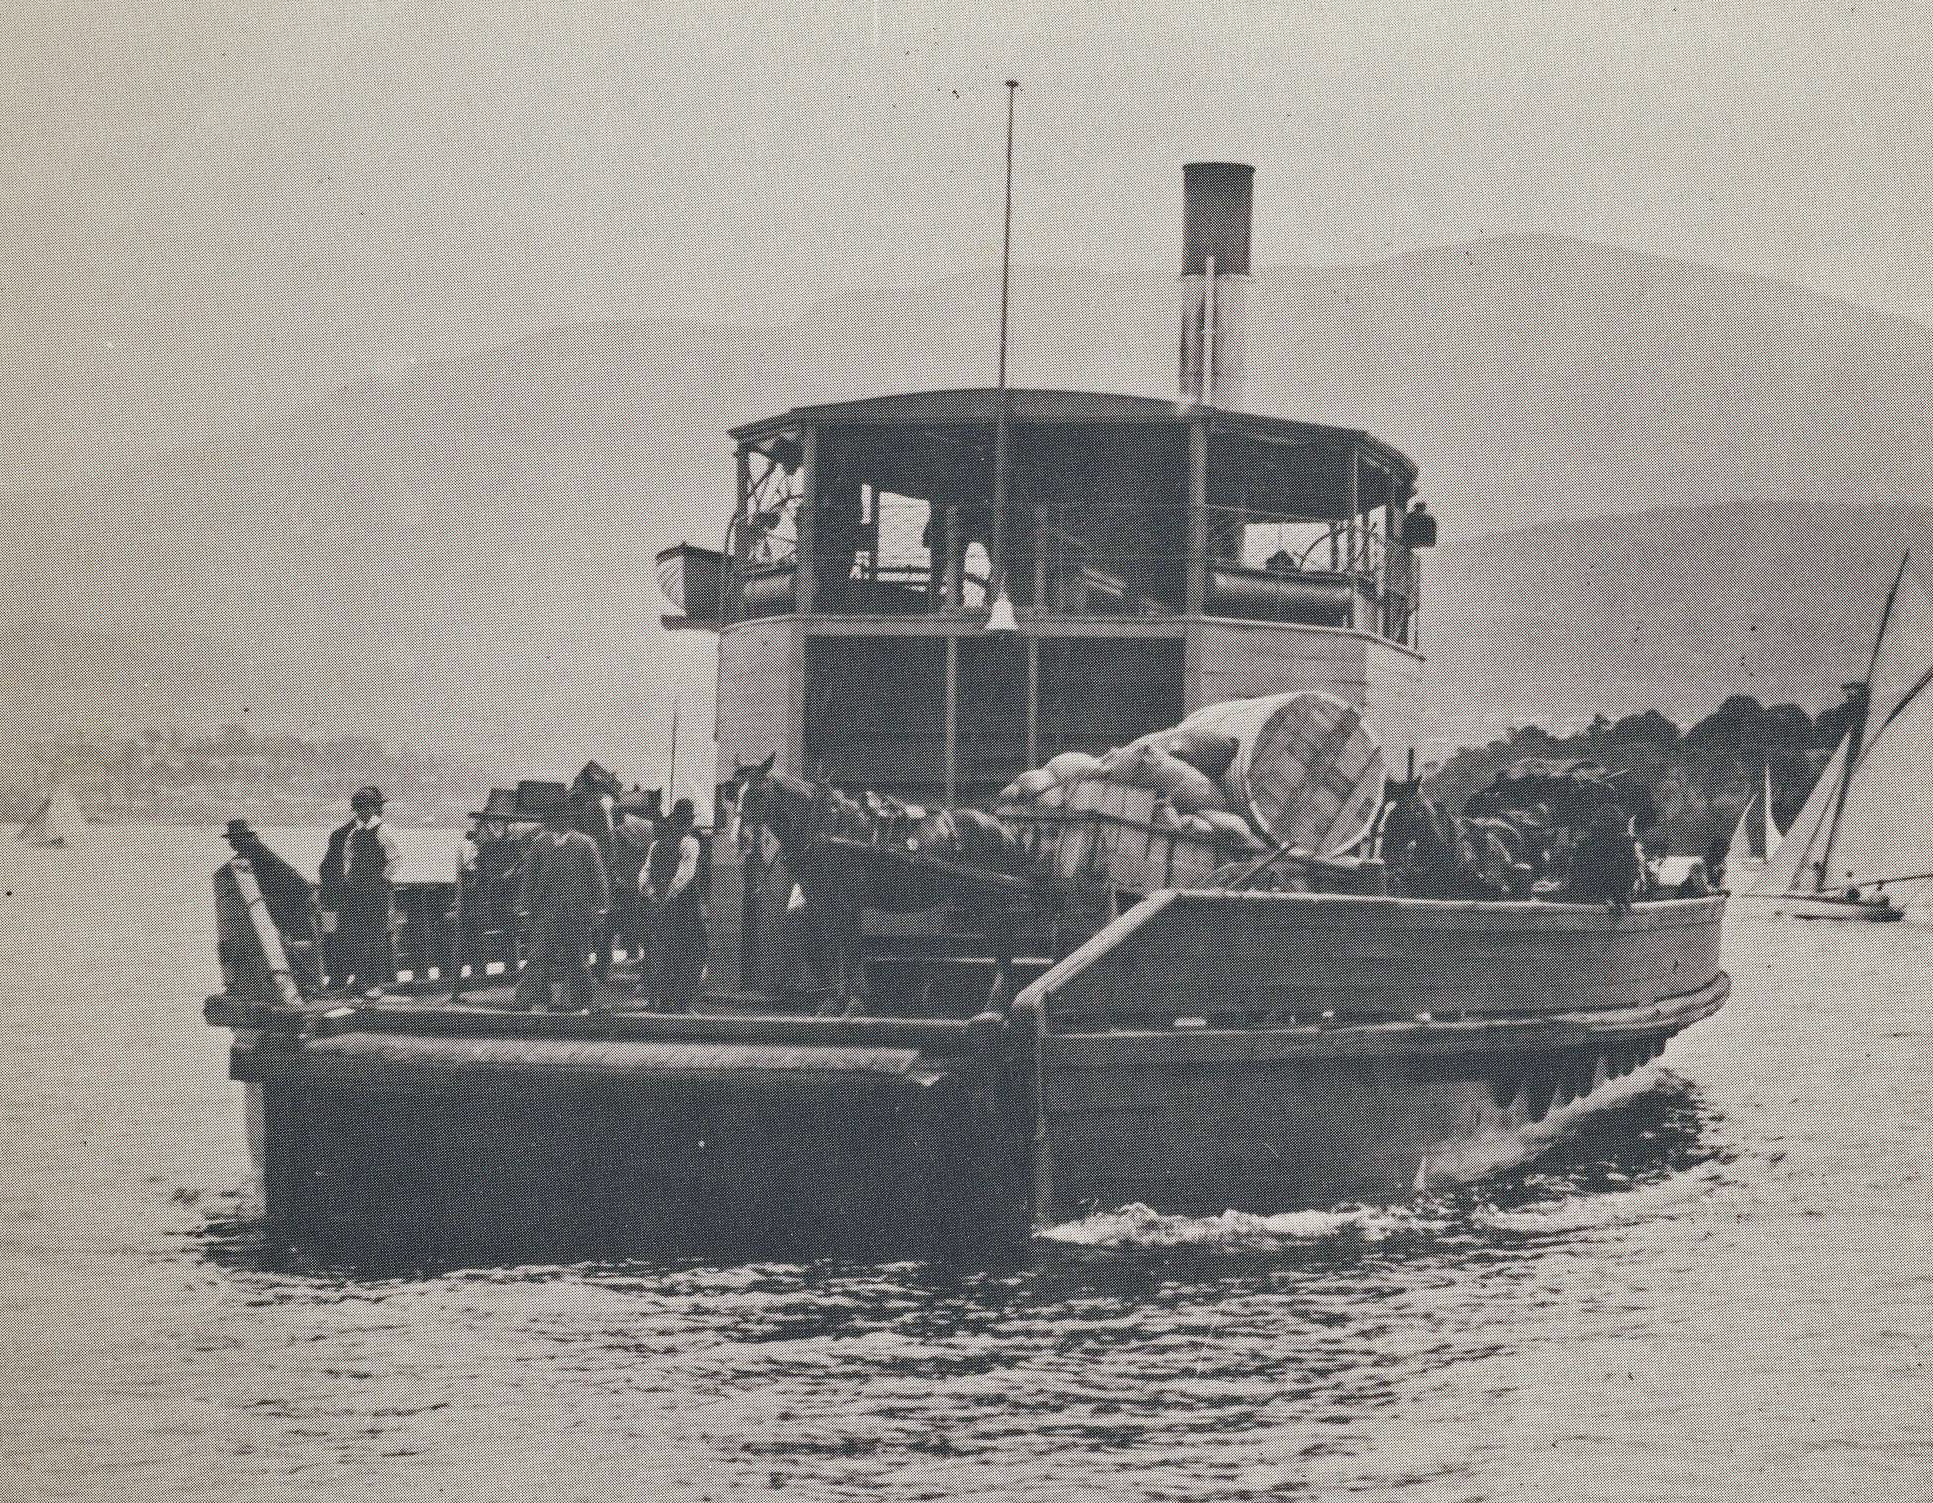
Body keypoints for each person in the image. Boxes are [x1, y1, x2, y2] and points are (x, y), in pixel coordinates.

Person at [514, 790, 611, 1013]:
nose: (559, 822)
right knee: (537, 955)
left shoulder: (586, 844)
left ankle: (578, 1001)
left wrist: (602, 906)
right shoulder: (539, 844)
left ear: (569, 819)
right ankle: (527, 1000)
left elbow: (598, 876)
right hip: (545, 910)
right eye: (555, 818)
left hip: (577, 910)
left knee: (577, 956)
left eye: (563, 818)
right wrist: (524, 906)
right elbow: (529, 877)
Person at [318, 786, 401, 996]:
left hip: (375, 893)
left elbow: (396, 859)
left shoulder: (383, 830)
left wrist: (382, 880)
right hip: (355, 892)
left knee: (375, 935)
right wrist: (348, 880)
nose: (366, 811)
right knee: (356, 935)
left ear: (374, 809)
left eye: (370, 807)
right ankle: (361, 980)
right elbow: (347, 859)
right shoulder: (353, 833)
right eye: (361, 808)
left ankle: (373, 983)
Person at [224, 818, 322, 994]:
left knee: (290, 946)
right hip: (287, 903)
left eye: (234, 839)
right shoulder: (252, 853)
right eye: (231, 840)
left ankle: (307, 985)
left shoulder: (257, 853)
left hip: (292, 904)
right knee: (290, 946)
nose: (232, 843)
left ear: (243, 839)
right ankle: (306, 984)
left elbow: (286, 877)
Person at [642, 798, 707, 1013]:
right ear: (688, 823)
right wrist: (666, 896)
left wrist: (652, 895)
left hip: (660, 906)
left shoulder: (656, 845)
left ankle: (662, 999)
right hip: (684, 908)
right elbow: (684, 876)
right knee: (692, 951)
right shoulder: (690, 844)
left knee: (662, 950)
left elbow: (645, 874)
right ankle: (680, 1002)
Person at [1568, 804, 1640, 915]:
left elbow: (1631, 871)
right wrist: (1603, 897)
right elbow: (1579, 877)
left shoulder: (1625, 844)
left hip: (1615, 892)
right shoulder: (1585, 845)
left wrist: (1622, 894)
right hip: (1591, 893)